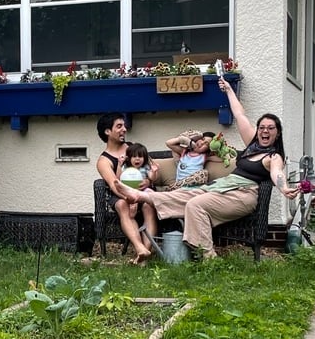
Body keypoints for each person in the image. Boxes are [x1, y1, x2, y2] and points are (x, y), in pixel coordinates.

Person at [115, 77, 299, 259]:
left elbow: (277, 173)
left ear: (278, 133)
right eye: (262, 127)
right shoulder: (252, 144)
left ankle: (209, 257)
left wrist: (283, 188)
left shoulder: (273, 156)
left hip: (242, 195)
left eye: (270, 128)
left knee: (195, 204)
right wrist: (228, 90)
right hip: (222, 187)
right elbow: (240, 114)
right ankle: (139, 195)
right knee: (184, 194)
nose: (265, 131)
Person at [96, 113, 158, 264]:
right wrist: (129, 198)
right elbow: (114, 185)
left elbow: (152, 167)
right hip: (120, 196)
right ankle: (140, 248)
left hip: (142, 191)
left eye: (124, 126)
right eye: (119, 126)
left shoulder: (134, 148)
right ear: (107, 131)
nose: (124, 129)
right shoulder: (103, 161)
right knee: (123, 206)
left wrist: (149, 180)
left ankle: (144, 253)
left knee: (149, 206)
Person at [117, 142, 158, 219]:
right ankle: (132, 209)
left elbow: (152, 178)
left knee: (150, 192)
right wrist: (119, 165)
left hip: (142, 190)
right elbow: (118, 178)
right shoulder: (126, 167)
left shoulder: (145, 167)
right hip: (129, 190)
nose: (137, 158)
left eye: (140, 156)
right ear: (129, 158)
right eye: (134, 156)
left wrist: (154, 171)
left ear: (144, 158)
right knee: (130, 197)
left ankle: (156, 205)